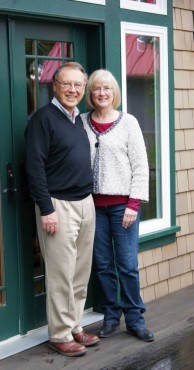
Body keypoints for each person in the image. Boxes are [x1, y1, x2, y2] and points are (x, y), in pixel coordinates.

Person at [25, 62, 99, 357]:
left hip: (85, 203)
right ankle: (59, 333)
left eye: (78, 85)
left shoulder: (78, 119)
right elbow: (34, 167)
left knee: (80, 271)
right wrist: (46, 209)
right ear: (54, 86)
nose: (72, 90)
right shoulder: (43, 119)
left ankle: (75, 326)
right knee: (61, 274)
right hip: (58, 205)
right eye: (66, 84)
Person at [81, 69, 154, 342]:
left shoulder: (128, 122)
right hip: (92, 207)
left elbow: (140, 165)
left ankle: (135, 318)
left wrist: (134, 203)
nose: (102, 93)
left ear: (114, 93)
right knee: (102, 264)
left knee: (126, 264)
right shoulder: (81, 121)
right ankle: (111, 315)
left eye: (107, 89)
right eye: (97, 89)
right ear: (91, 94)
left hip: (124, 206)